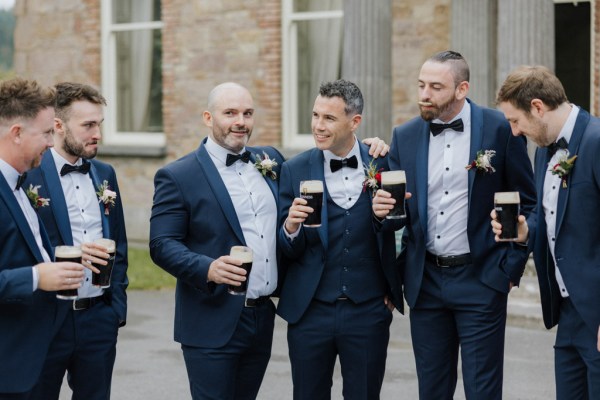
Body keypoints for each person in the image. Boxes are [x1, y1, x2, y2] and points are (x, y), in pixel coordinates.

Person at [149, 81, 388, 400]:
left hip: (260, 317)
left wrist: (370, 145)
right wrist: (208, 268)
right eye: (230, 113)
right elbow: (161, 244)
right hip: (212, 317)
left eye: (247, 113)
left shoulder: (272, 162)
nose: (240, 121)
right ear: (208, 117)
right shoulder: (178, 175)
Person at [372, 51, 536, 399]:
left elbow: (530, 205)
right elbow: (390, 213)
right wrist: (381, 212)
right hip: (426, 281)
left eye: (435, 87)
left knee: (483, 390)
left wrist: (509, 269)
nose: (424, 94)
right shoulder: (405, 135)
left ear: (462, 89)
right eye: (421, 85)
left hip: (482, 278)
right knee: (432, 390)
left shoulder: (500, 129)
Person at [277, 79, 402, 399]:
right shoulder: (293, 169)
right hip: (309, 311)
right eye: (316, 115)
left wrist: (393, 284)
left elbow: (409, 227)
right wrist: (290, 227)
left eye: (329, 119)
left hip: (368, 310)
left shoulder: (384, 162)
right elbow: (282, 247)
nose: (318, 126)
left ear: (354, 121)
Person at [493, 65, 600, 399]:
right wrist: (526, 231)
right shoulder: (543, 152)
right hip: (567, 313)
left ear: (537, 107)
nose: (513, 131)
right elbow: (548, 216)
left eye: (515, 120)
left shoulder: (596, 140)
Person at [24, 82, 128, 400]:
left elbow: (120, 245)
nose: (97, 133)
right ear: (58, 125)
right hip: (47, 320)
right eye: (88, 125)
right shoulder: (29, 175)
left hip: (98, 318)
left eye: (99, 124)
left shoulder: (105, 173)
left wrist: (115, 311)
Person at [0, 77, 86, 399]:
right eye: (47, 133)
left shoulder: (20, 184)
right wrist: (37, 277)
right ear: (17, 133)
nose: (52, 143)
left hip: (36, 356)